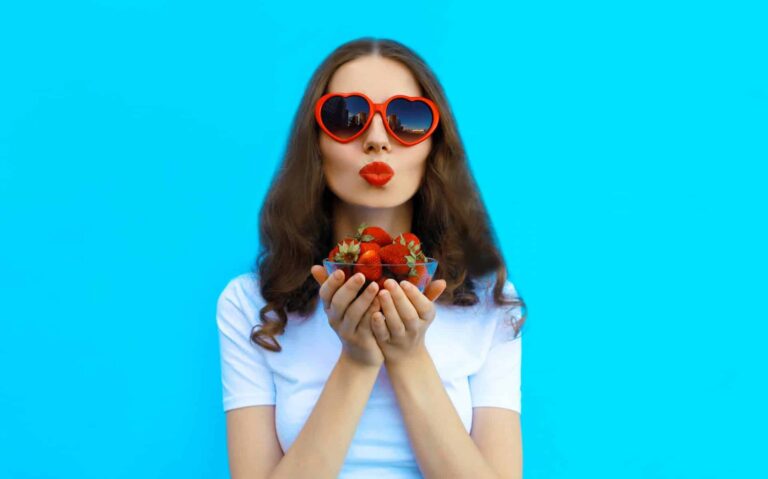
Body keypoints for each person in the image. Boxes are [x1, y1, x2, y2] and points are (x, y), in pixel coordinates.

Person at [216, 37, 528, 479]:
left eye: (407, 119)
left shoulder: (488, 302)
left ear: (433, 145)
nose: (378, 140)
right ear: (315, 142)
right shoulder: (251, 304)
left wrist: (408, 355)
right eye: (348, 118)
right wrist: (358, 360)